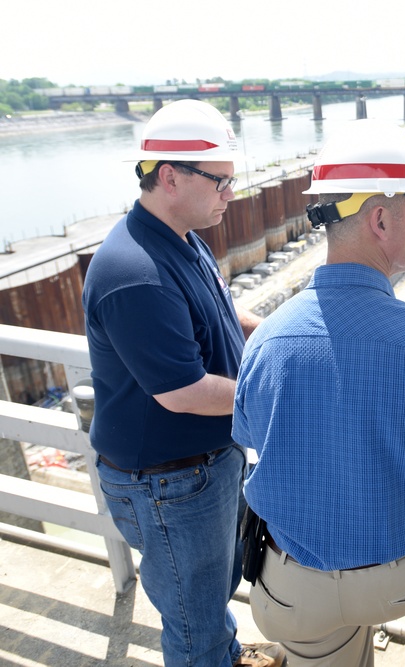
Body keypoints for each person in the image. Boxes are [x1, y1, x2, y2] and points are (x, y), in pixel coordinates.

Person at [232, 118, 405, 666]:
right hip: (404, 579)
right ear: (380, 219)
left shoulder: (267, 341)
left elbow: (253, 434)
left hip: (289, 592)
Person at [82, 99, 284, 667]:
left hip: (198, 467)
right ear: (169, 176)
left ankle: (225, 652)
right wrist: (276, 392)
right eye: (221, 181)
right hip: (168, 484)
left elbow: (222, 313)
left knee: (206, 592)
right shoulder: (134, 271)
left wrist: (280, 339)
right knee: (192, 619)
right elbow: (183, 391)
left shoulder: (182, 238)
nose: (230, 195)